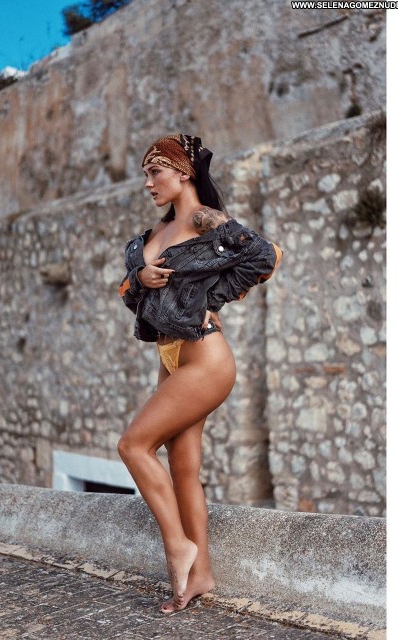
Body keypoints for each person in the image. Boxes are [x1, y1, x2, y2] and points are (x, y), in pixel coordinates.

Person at [117, 133, 282, 613]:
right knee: (183, 469)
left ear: (184, 172)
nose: (148, 182)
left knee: (133, 445)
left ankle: (177, 545)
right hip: (170, 357)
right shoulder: (154, 232)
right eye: (146, 173)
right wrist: (140, 279)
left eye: (155, 171)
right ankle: (201, 574)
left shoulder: (204, 220)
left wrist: (213, 299)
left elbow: (265, 255)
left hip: (205, 356)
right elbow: (129, 292)